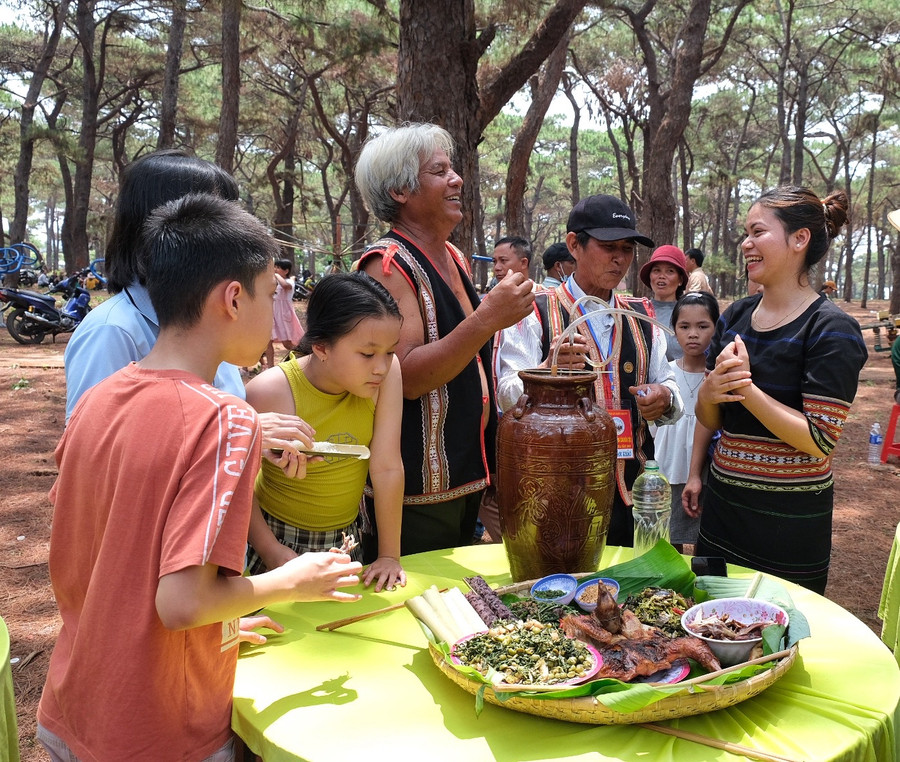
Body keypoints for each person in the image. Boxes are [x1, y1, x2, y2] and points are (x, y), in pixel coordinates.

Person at [36, 194, 363, 762]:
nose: (280, 313)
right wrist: (294, 581)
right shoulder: (224, 417)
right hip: (160, 728)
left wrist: (223, 627)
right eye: (271, 293)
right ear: (233, 298)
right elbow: (182, 602)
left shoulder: (98, 400)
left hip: (77, 704)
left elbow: (113, 562)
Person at [63, 149, 314, 460]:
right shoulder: (112, 330)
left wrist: (254, 446)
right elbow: (89, 454)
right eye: (218, 212)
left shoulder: (212, 321)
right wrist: (239, 436)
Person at [355, 122, 534, 557]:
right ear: (401, 189)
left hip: (466, 476)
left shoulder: (451, 255)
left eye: (451, 169)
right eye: (439, 171)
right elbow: (406, 374)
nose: (457, 180)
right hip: (415, 489)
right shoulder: (387, 264)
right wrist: (488, 318)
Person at [694, 185, 867, 594]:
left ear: (799, 239)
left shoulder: (830, 329)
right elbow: (710, 415)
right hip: (722, 514)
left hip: (788, 527)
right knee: (708, 624)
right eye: (745, 233)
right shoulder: (735, 316)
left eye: (757, 232)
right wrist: (709, 392)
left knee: (777, 638)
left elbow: (819, 440)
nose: (745, 244)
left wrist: (745, 389)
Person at [495, 193, 683, 547]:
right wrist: (545, 372)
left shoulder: (641, 317)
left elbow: (670, 387)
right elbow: (507, 396)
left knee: (632, 593)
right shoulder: (534, 313)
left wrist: (665, 398)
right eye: (608, 245)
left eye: (627, 248)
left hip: (634, 496)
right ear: (574, 245)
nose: (619, 258)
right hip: (555, 498)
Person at [245, 271, 406, 593]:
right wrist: (272, 551)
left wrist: (389, 555)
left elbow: (387, 466)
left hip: (344, 539)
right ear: (321, 347)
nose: (381, 366)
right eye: (367, 353)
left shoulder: (386, 377)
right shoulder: (272, 390)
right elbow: (239, 488)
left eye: (390, 351)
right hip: (274, 538)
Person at [650, 292, 719, 552]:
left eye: (703, 326)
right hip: (667, 467)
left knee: (704, 536)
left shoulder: (717, 377)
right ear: (674, 330)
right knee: (669, 538)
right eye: (684, 326)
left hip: (703, 472)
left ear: (716, 328)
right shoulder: (665, 373)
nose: (693, 334)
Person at [640, 244, 689, 361]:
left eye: (670, 271)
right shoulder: (638, 311)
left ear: (680, 280)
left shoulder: (688, 313)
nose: (661, 276)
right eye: (656, 270)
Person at [265, 258, 305, 369]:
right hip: (271, 314)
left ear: (286, 271)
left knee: (287, 343)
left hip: (283, 315)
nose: (275, 269)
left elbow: (286, 286)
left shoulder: (289, 281)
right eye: (275, 267)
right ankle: (270, 367)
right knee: (268, 342)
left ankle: (302, 359)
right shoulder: (273, 282)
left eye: (278, 268)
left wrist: (276, 275)